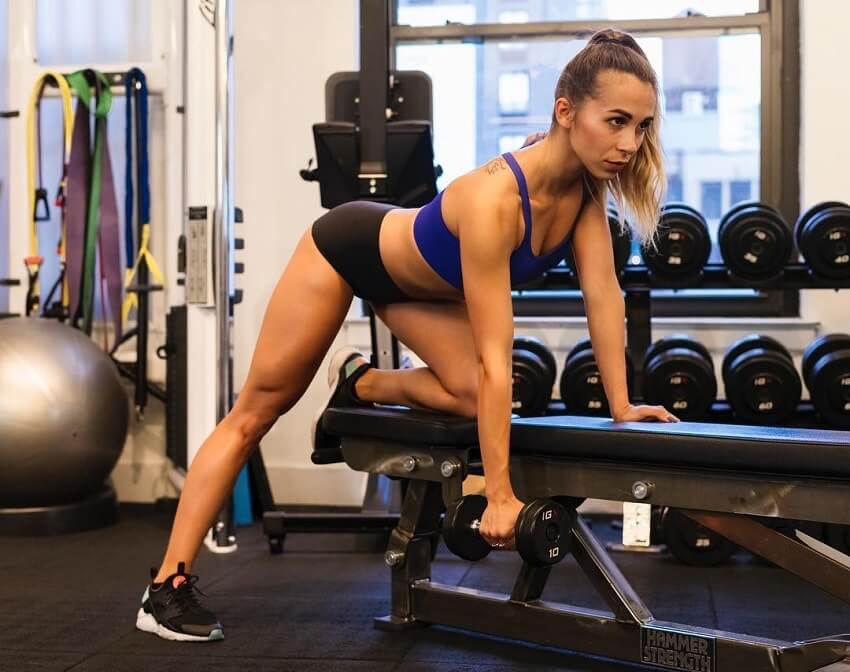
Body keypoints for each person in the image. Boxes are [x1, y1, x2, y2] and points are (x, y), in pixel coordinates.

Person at [135, 27, 679, 642]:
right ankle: (165, 589)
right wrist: (497, 495)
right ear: (565, 111)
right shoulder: (496, 200)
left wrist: (622, 405)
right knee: (257, 411)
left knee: (476, 395)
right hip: (348, 250)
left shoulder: (584, 192)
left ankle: (360, 385)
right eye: (616, 121)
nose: (630, 143)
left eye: (641, 127)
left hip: (419, 287)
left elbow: (602, 295)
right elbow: (496, 355)